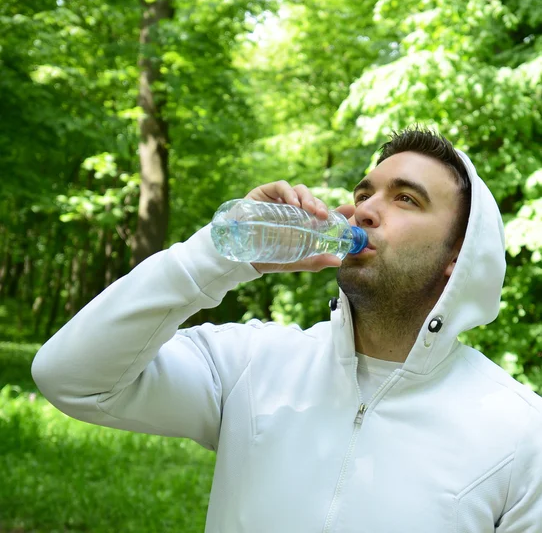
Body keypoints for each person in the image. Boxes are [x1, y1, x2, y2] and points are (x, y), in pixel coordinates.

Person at [32, 127, 542, 532]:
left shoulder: (519, 430)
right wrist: (217, 252)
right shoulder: (251, 360)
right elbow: (71, 379)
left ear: (459, 256)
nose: (363, 208)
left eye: (405, 198)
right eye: (364, 192)